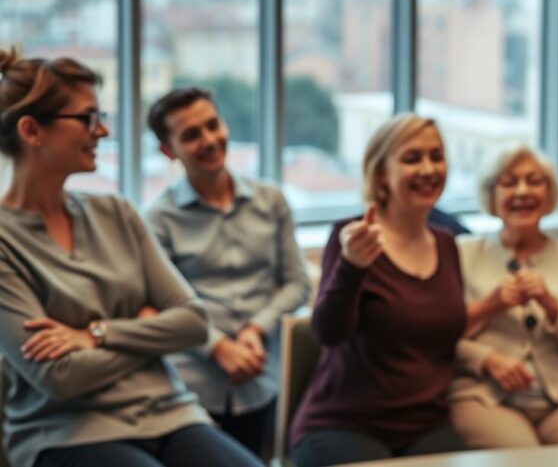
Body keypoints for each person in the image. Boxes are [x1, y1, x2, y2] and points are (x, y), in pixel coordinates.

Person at [0, 50, 262, 467]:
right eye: (87, 118)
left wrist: (97, 334)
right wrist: (147, 330)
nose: (102, 130)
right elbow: (59, 377)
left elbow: (193, 322)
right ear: (32, 131)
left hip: (172, 414)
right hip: (67, 432)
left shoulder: (117, 213)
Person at [289, 114, 467, 466]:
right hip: (343, 425)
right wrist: (352, 267)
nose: (428, 169)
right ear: (382, 173)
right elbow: (328, 333)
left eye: (436, 156)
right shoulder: (352, 238)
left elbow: (445, 333)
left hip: (426, 426)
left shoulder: (448, 244)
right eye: (412, 158)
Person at [144, 87, 312, 456]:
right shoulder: (158, 220)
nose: (209, 140)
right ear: (168, 150)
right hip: (190, 387)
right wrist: (217, 347)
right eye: (191, 135)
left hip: (263, 373)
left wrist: (256, 328)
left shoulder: (271, 201)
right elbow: (159, 306)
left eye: (212, 125)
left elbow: (298, 283)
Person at [450, 145, 558, 447]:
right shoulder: (463, 253)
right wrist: (487, 353)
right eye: (509, 183)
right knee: (521, 456)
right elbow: (439, 337)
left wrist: (552, 304)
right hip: (484, 396)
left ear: (549, 195)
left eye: (534, 181)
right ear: (491, 196)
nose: (522, 191)